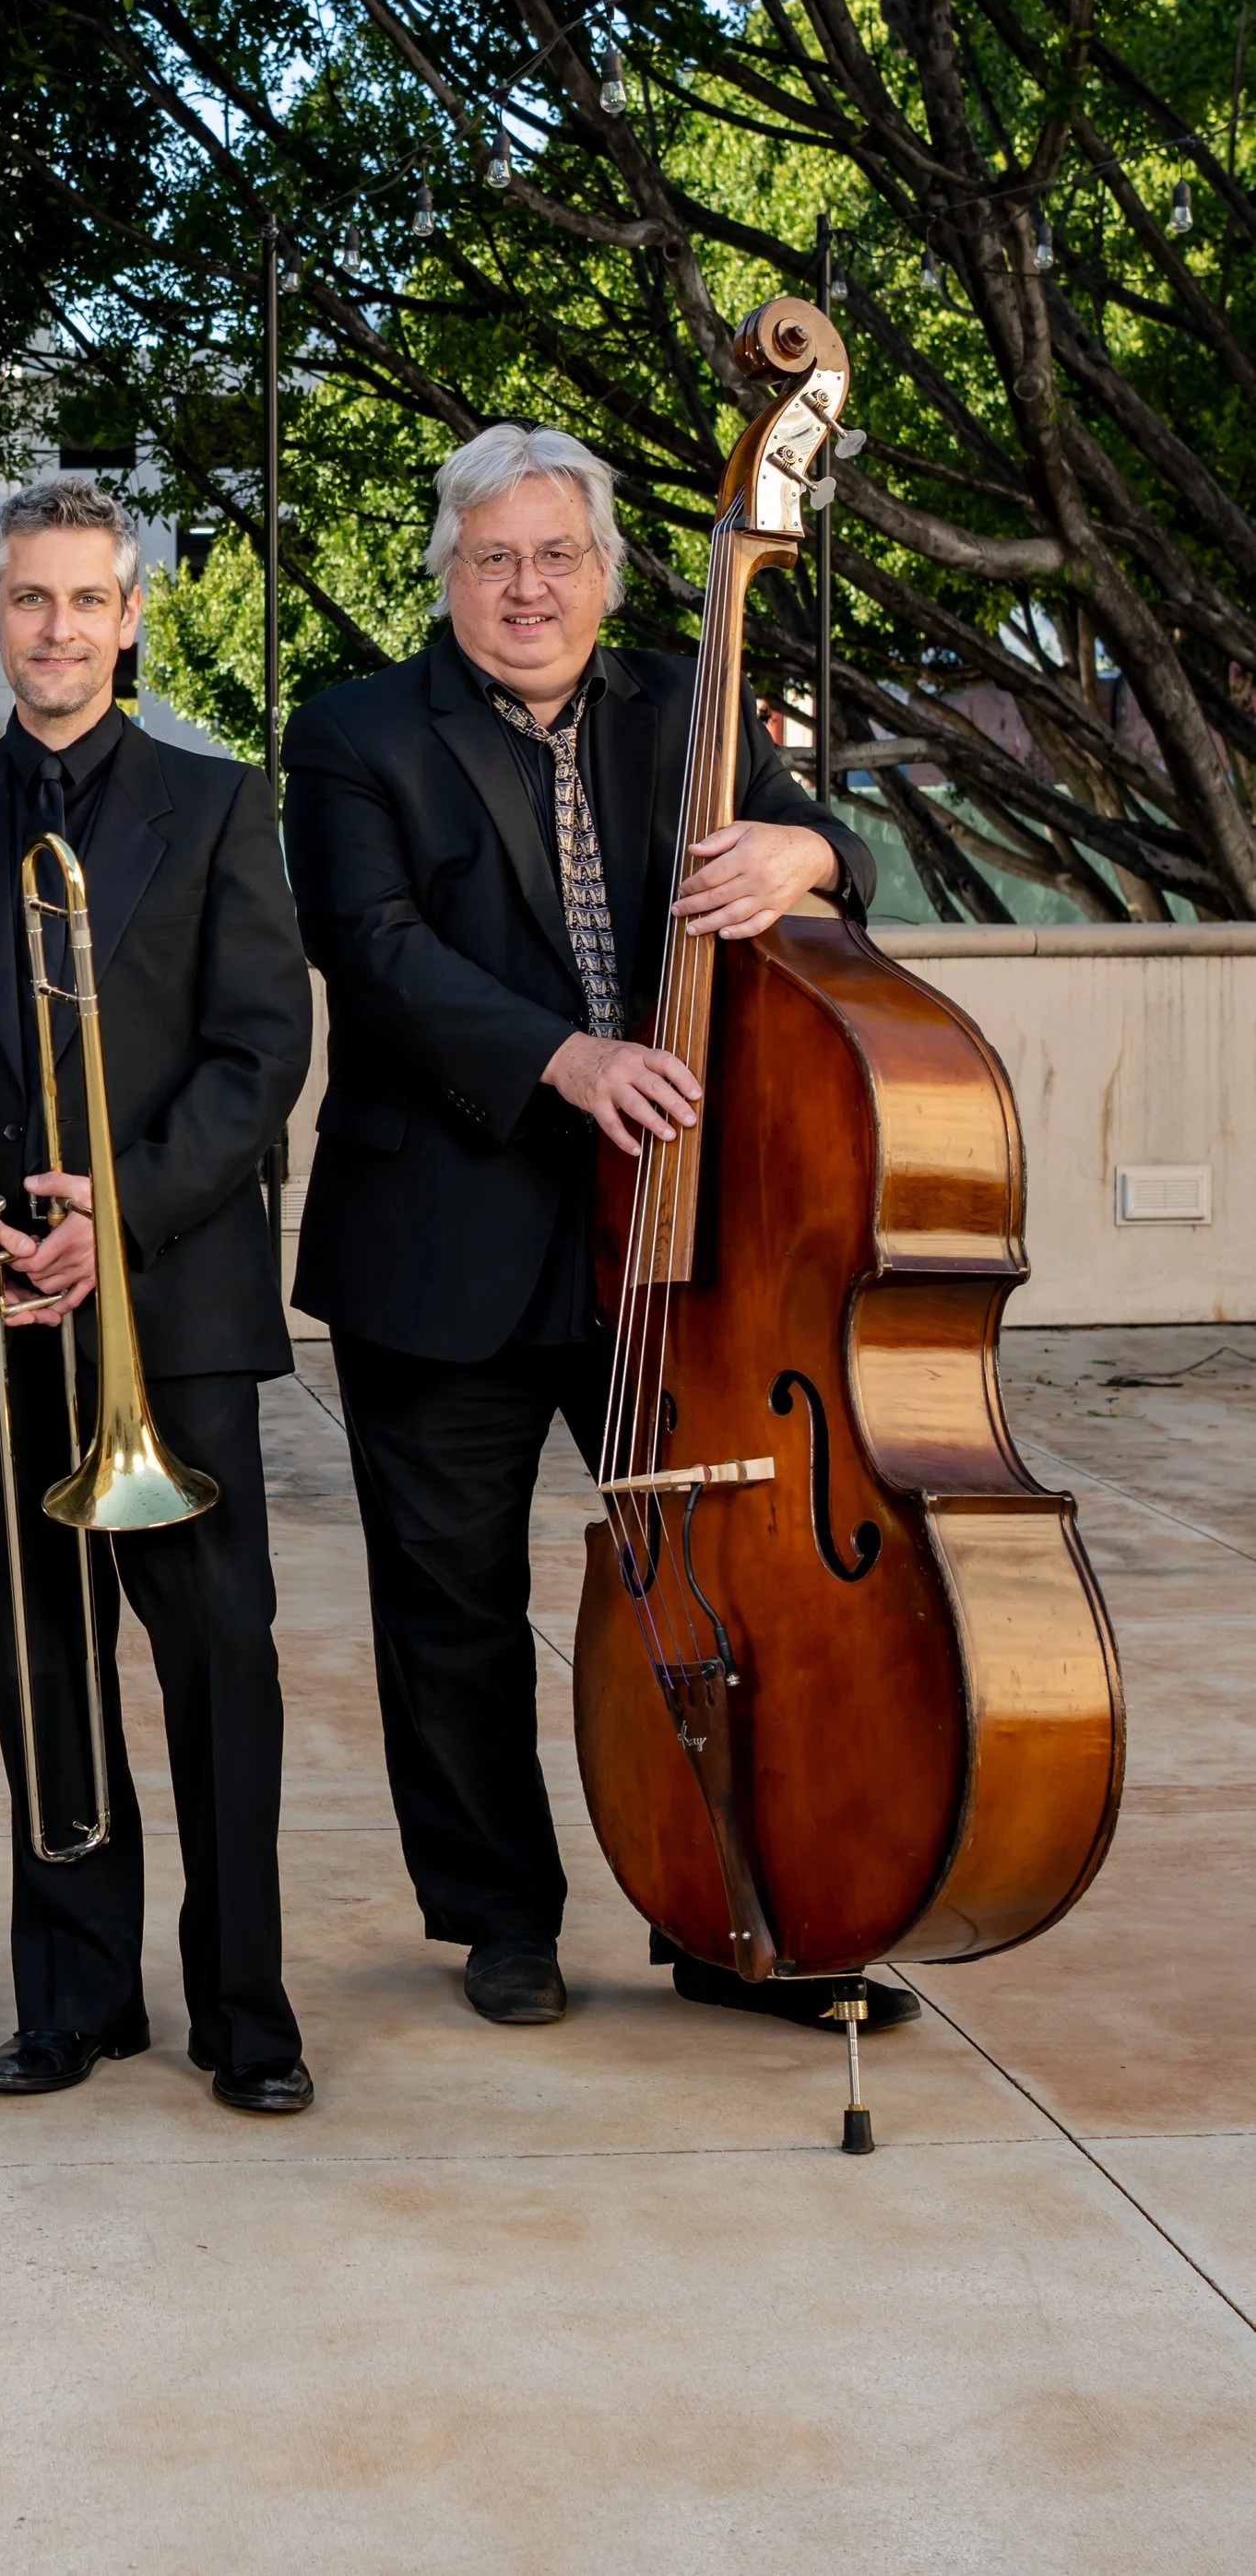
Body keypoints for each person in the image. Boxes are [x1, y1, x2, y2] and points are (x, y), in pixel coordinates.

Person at [282, 422, 919, 2039]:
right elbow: (371, 944)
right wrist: (564, 1057)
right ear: (447, 573)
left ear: (608, 569)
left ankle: (737, 1911)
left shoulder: (691, 708)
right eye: (493, 557)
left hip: (693, 1254)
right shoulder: (357, 730)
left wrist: (814, 847)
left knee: (722, 1598)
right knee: (454, 1607)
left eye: (557, 555)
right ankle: (501, 1915)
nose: (526, 586)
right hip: (447, 1236)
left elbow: (865, 874)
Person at [0, 480, 317, 2113]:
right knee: (44, 1665)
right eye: (27, 600)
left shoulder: (219, 800)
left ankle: (247, 2009)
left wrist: (134, 1211)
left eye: (86, 600)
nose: (57, 629)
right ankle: (76, 1999)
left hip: (166, 1306)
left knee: (218, 1660)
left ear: (131, 616)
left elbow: (264, 1053)